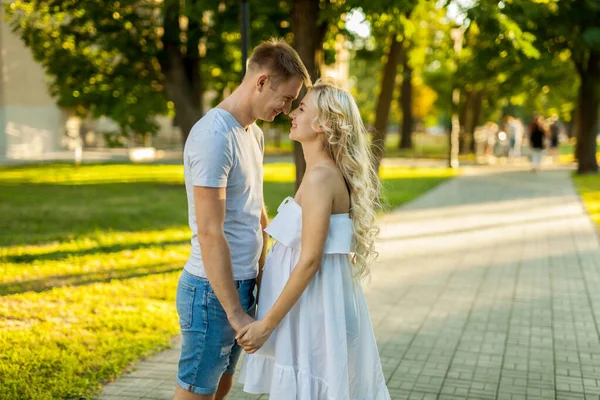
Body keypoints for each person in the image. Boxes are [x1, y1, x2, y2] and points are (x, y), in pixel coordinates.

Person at [174, 38, 310, 400]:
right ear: (262, 82)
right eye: (286, 98)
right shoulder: (213, 136)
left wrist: (263, 277)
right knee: (195, 392)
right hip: (211, 293)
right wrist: (235, 315)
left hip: (242, 285)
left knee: (222, 385)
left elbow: (256, 211)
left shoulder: (254, 134)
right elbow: (209, 232)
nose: (287, 108)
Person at [237, 81, 391, 399]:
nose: (292, 112)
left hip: (313, 309)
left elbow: (309, 260)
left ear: (325, 123)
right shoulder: (318, 172)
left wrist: (266, 325)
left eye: (303, 108)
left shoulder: (322, 177)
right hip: (308, 307)